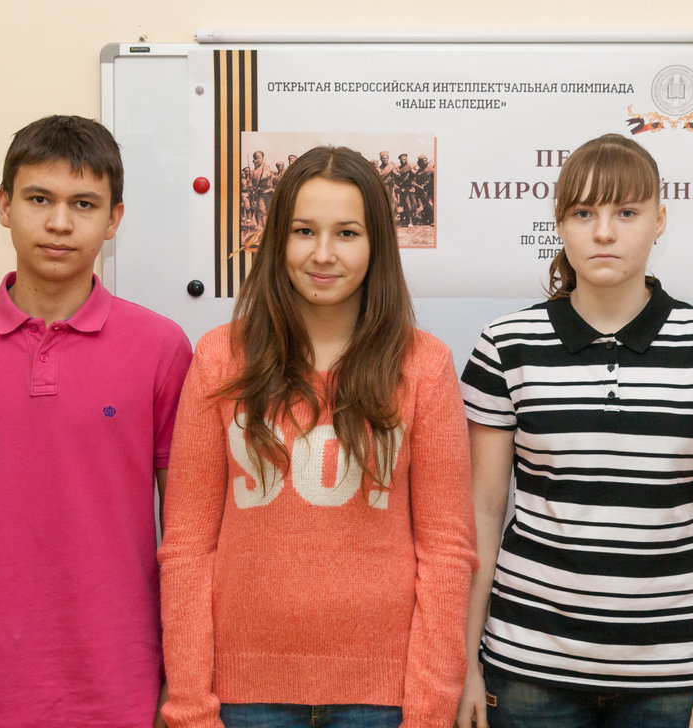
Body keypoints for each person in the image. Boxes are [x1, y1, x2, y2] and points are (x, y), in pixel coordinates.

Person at [0, 115, 194, 728]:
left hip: (123, 697)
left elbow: (185, 531)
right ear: (4, 206)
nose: (59, 222)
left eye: (84, 204)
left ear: (114, 219)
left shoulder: (162, 348)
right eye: (39, 199)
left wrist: (181, 685)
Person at [159, 145, 476, 728]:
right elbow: (186, 547)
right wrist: (189, 705)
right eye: (304, 231)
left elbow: (446, 552)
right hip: (242, 697)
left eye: (347, 233)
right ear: (277, 239)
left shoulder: (424, 367)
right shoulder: (219, 358)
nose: (323, 254)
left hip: (381, 699)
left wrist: (430, 710)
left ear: (377, 245)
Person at [456, 133, 693, 728]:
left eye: (626, 212)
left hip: (675, 672)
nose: (603, 232)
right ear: (559, 225)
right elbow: (481, 513)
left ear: (659, 220)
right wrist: (466, 662)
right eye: (583, 213)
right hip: (528, 667)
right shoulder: (505, 345)